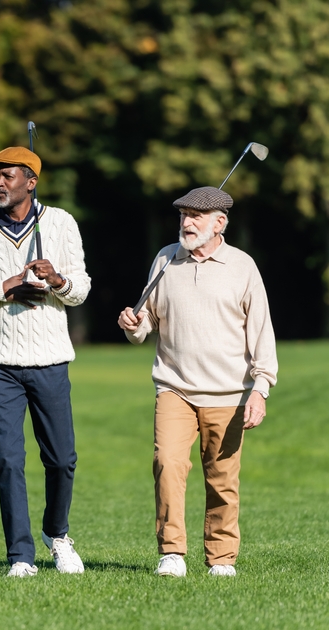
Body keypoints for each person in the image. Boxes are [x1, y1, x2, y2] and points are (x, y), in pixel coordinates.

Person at [117, 185, 277, 578]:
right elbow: (148, 321)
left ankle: (221, 559)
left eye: (196, 217)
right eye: (183, 216)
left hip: (229, 393)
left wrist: (261, 388)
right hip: (174, 387)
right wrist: (133, 326)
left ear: (220, 223)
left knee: (222, 479)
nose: (186, 223)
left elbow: (262, 334)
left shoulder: (243, 267)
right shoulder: (165, 260)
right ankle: (171, 552)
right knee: (167, 463)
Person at [0, 146, 91, 578]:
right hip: (0, 363)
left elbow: (81, 289)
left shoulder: (61, 223)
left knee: (62, 460)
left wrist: (56, 280)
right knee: (9, 460)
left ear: (31, 182)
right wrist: (3, 288)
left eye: (7, 176)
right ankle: (21, 556)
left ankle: (57, 534)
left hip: (50, 360)